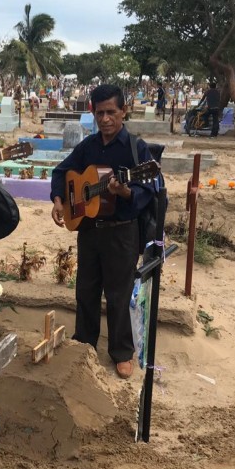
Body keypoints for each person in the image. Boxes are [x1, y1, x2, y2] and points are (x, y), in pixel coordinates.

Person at [50, 84, 156, 380]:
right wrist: (59, 200)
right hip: (89, 230)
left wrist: (124, 191)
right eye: (100, 113)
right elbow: (61, 172)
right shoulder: (88, 147)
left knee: (119, 294)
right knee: (86, 289)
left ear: (124, 111)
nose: (106, 118)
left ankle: (122, 352)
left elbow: (146, 189)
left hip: (122, 233)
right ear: (93, 114)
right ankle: (84, 343)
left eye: (112, 111)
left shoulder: (136, 149)